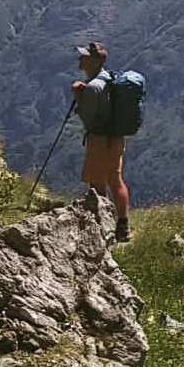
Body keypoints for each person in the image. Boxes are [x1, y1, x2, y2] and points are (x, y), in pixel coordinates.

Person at [73, 41, 132, 242]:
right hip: (116, 137)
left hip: (99, 140)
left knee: (96, 183)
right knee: (115, 180)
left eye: (84, 57)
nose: (80, 59)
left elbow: (87, 117)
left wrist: (78, 96)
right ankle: (123, 225)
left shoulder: (93, 87)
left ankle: (102, 224)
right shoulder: (109, 79)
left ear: (93, 61)